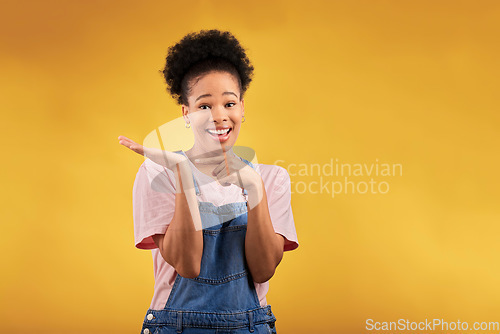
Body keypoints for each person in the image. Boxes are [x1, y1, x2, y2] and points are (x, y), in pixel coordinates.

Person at [118, 29, 299, 334]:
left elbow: (264, 269)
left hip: (251, 327)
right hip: (176, 327)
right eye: (204, 106)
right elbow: (188, 265)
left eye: (229, 103)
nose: (219, 116)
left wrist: (254, 189)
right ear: (186, 113)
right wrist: (184, 175)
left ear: (242, 107)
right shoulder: (158, 173)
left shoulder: (271, 178)